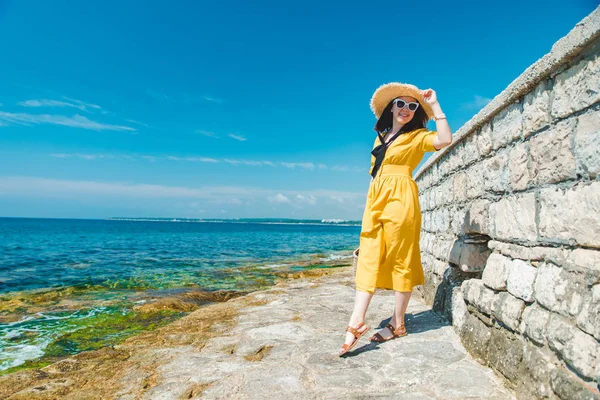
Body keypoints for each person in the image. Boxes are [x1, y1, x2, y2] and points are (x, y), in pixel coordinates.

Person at [339, 82, 453, 356]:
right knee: (368, 254)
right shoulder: (381, 136)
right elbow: (374, 173)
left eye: (412, 106)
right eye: (401, 104)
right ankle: (357, 320)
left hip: (401, 198)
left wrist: (435, 106)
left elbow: (445, 140)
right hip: (376, 199)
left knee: (401, 257)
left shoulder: (418, 136)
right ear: (391, 107)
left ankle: (398, 323)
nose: (406, 109)